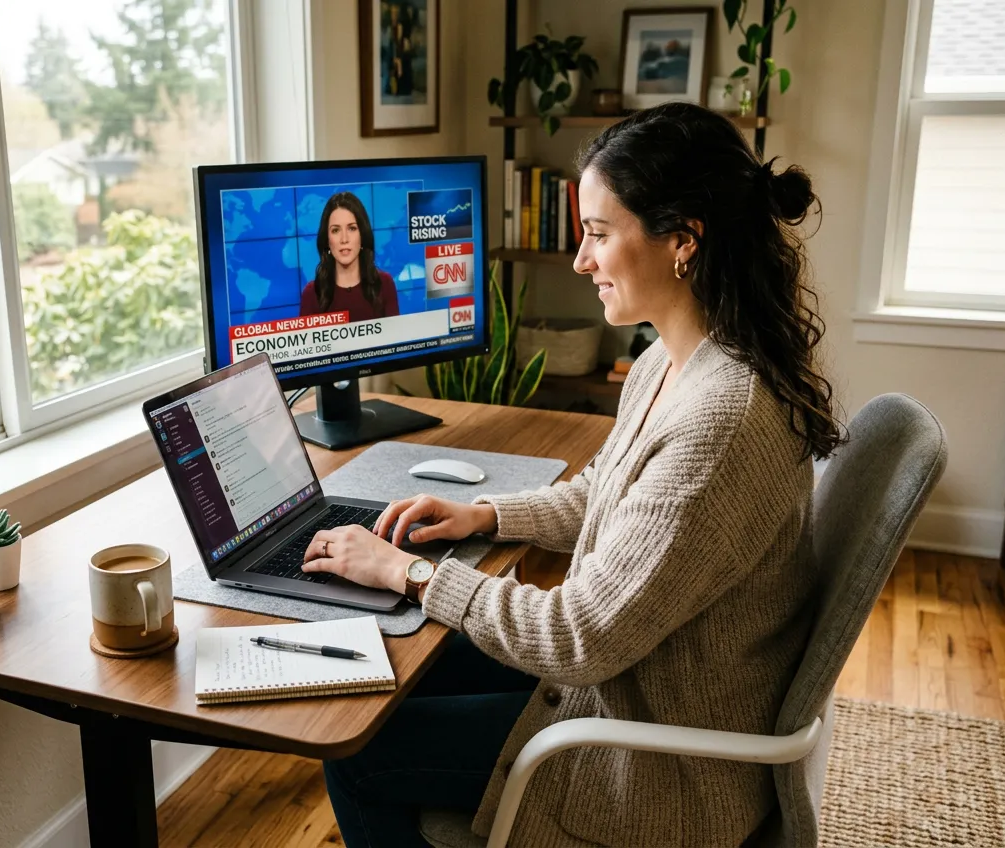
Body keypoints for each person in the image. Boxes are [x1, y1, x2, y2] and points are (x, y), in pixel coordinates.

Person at [299, 101, 841, 847]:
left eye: (597, 233)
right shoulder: (674, 358)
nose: (581, 260)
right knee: (402, 663)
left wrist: (411, 574)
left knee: (359, 751)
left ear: (683, 240)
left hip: (656, 759)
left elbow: (579, 636)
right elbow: (610, 492)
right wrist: (485, 516)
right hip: (634, 683)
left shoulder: (723, 420)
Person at [300, 192, 399, 321]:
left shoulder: (384, 284)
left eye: (352, 228)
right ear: (327, 240)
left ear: (362, 234)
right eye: (336, 230)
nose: (344, 239)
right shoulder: (312, 294)